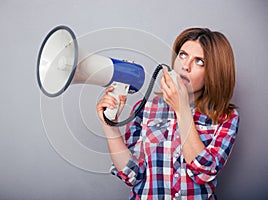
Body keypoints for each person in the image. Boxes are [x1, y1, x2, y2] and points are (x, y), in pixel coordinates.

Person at [96, 28, 240, 200]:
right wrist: (109, 125)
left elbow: (203, 172)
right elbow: (132, 174)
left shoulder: (226, 117)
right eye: (182, 55)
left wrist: (181, 109)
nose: (185, 66)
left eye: (200, 61)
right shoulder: (145, 109)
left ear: (215, 72)